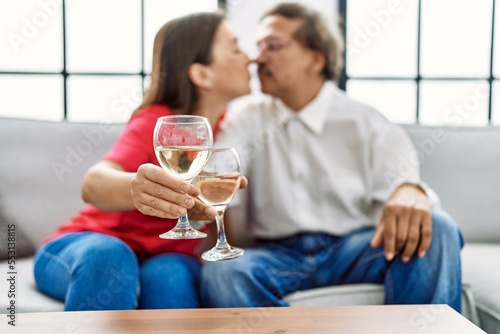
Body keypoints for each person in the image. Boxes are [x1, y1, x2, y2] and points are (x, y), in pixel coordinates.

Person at [200, 3, 464, 311]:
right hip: (277, 256)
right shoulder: (244, 118)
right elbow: (215, 176)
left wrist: (413, 190)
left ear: (315, 58)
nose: (257, 58)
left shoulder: (366, 123)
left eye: (272, 46)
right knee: (223, 272)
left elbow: (407, 192)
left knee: (438, 226)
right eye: (257, 47)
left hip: (354, 250)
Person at [33, 11, 251, 311]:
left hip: (166, 257)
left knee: (171, 276)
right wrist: (137, 188)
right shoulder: (155, 123)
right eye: (236, 49)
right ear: (202, 74)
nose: (248, 58)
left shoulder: (229, 130)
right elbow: (93, 183)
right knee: (111, 255)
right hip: (86, 244)